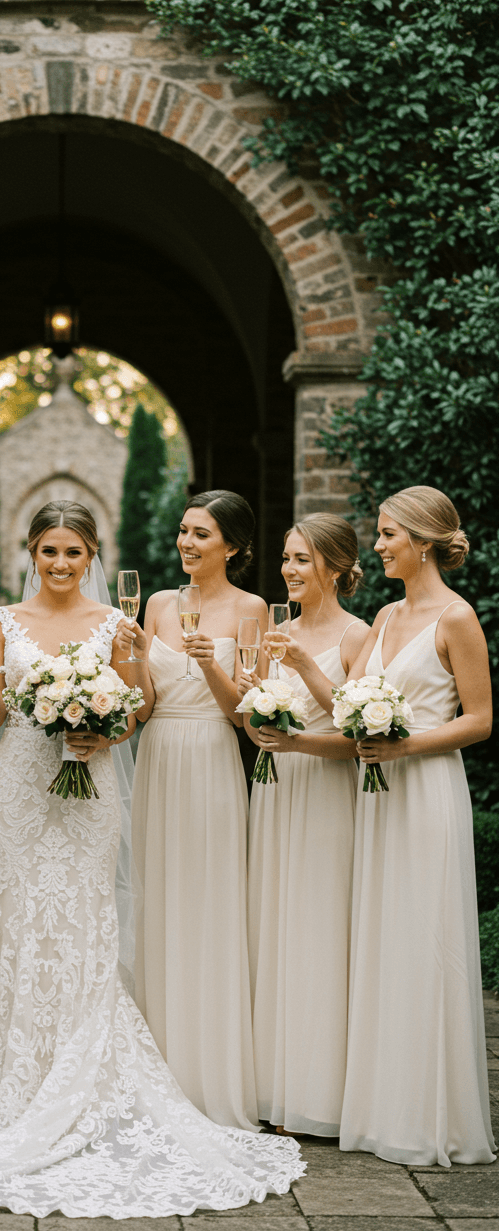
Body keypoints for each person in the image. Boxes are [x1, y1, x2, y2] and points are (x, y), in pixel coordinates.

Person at [0, 499, 304, 1217]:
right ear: (31, 553)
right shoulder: (0, 621)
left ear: (92, 556)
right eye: (50, 552)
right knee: (17, 920)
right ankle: (16, 1088)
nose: (62, 565)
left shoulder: (118, 624)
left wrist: (101, 725)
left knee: (83, 918)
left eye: (74, 553)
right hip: (18, 786)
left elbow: (139, 709)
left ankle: (87, 1080)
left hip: (90, 785)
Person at [339, 486, 494, 1165]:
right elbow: (349, 696)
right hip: (378, 793)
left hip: (426, 787)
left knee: (426, 939)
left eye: (388, 534)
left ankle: (431, 1116)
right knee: (384, 935)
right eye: (379, 534)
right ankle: (383, 1106)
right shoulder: (383, 614)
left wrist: (404, 745)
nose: (377, 546)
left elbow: (481, 719)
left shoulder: (456, 618)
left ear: (424, 543)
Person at [116, 490, 266, 1131]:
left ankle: (209, 1070)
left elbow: (249, 715)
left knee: (208, 901)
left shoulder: (252, 609)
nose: (186, 543)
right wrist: (129, 661)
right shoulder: (157, 604)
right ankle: (155, 1063)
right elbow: (142, 706)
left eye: (201, 534)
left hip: (211, 758)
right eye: (183, 531)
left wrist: (210, 667)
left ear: (231, 546)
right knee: (159, 898)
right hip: (160, 757)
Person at [241, 514, 368, 1138]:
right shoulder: (276, 631)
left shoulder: (356, 636)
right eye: (286, 558)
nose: (289, 570)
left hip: (323, 791)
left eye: (302, 560)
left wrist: (295, 739)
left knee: (318, 926)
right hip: (274, 790)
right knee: (273, 923)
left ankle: (318, 1092)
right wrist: (253, 711)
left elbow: (358, 732)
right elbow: (257, 719)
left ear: (337, 568)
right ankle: (269, 1086)